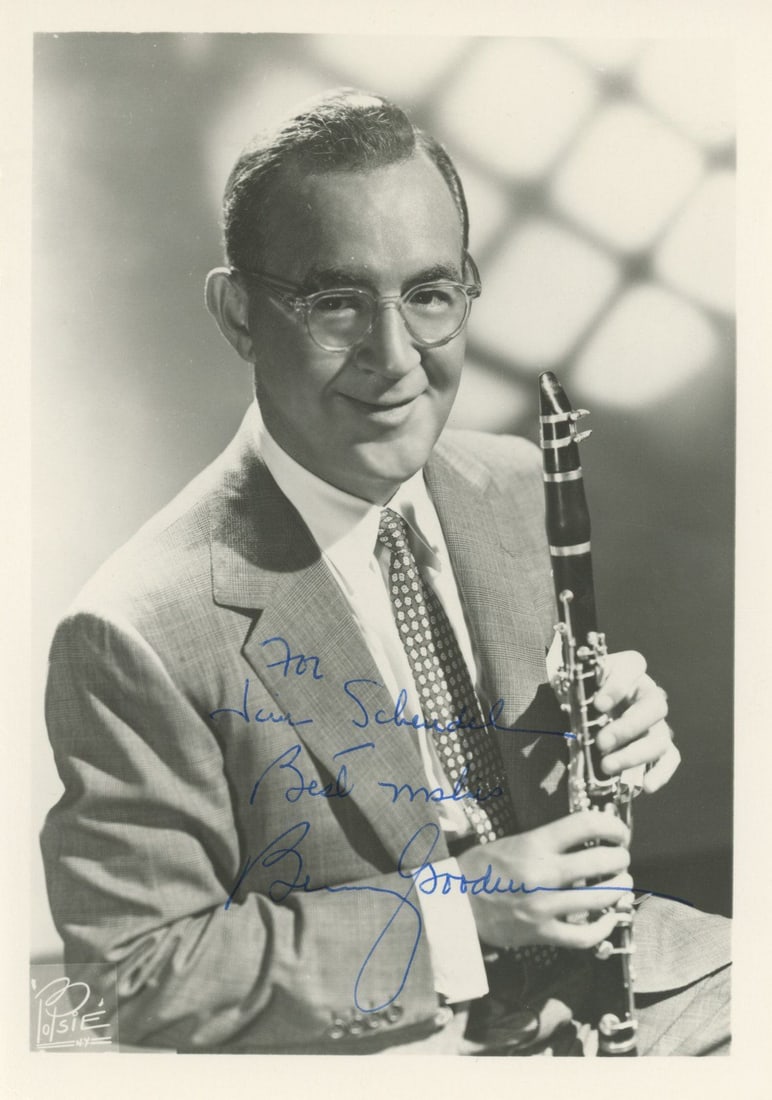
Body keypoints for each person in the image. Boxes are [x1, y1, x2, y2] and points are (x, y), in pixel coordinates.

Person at [40, 88, 730, 1055]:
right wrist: (470, 907)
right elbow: (139, 977)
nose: (395, 357)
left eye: (431, 294)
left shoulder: (514, 483)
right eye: (336, 303)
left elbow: (525, 790)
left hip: (621, 983)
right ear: (238, 313)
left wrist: (616, 731)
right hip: (385, 1047)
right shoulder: (132, 630)